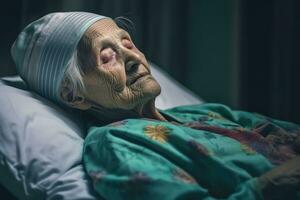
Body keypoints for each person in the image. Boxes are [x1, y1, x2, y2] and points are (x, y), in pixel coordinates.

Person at [11, 12, 300, 200]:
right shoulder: (117, 144)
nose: (134, 57)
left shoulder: (203, 114)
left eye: (128, 43)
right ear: (74, 95)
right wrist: (271, 187)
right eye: (108, 56)